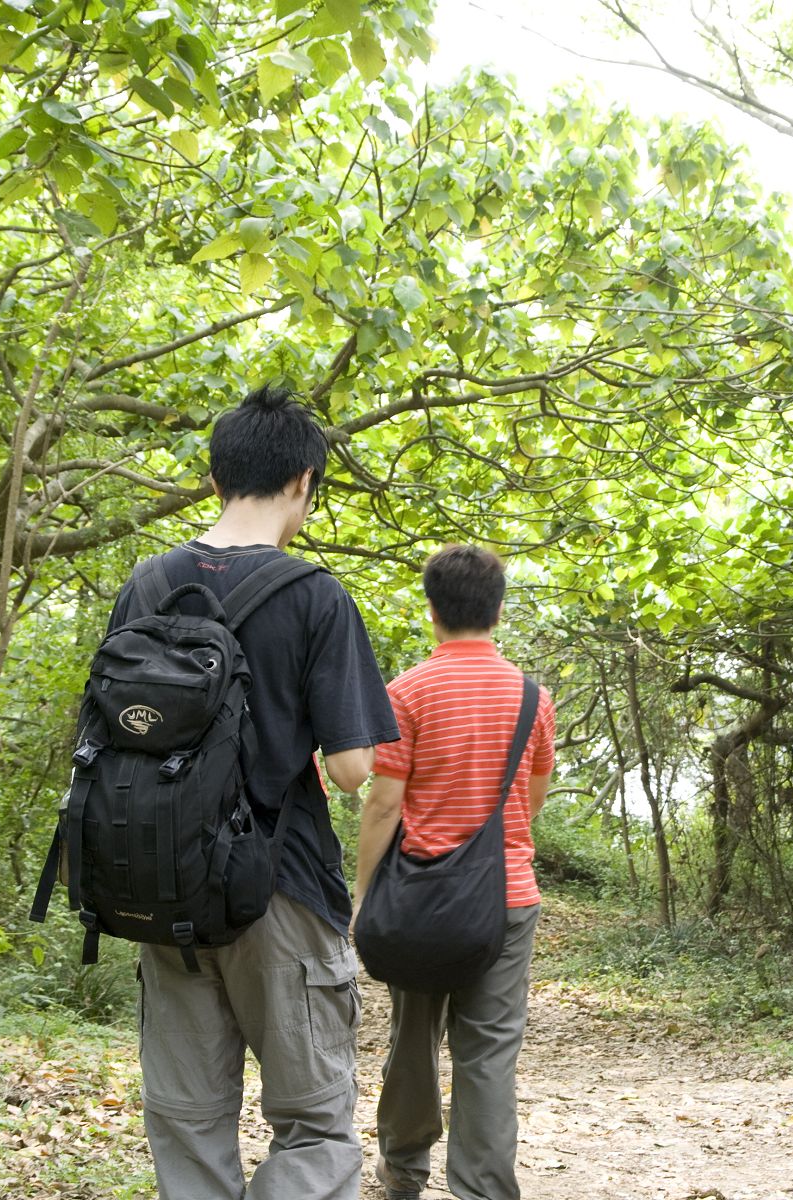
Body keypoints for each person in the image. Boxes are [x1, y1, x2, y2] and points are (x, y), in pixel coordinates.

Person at [115, 383, 400, 1200]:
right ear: (305, 481)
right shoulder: (315, 596)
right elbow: (350, 770)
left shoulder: (147, 583)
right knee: (312, 1124)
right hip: (282, 889)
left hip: (162, 886)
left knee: (188, 1123)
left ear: (215, 479)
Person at [356, 544, 557, 1200]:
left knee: (413, 1040)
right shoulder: (533, 699)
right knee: (490, 1054)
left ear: (431, 609)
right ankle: (484, 1189)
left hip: (419, 898)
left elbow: (383, 803)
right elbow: (531, 799)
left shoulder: (407, 692)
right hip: (506, 897)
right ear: (497, 611)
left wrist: (363, 895)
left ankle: (403, 1171)